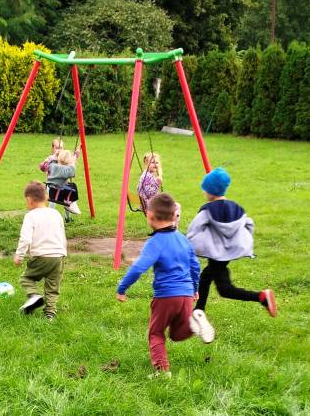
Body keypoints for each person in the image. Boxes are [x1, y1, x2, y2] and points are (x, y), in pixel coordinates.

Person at [116, 193, 212, 378]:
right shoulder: (182, 239)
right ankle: (194, 324)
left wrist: (122, 288)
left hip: (166, 296)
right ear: (174, 215)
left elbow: (138, 268)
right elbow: (195, 265)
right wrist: (194, 289)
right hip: (186, 296)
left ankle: (162, 372)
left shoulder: (155, 242)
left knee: (156, 333)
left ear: (150, 215)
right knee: (176, 334)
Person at [185, 167, 277, 331]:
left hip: (217, 254)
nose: (204, 192)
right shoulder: (236, 208)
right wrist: (239, 244)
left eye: (205, 189)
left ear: (210, 191)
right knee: (206, 276)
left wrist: (190, 247)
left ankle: (262, 297)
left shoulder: (207, 210)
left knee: (225, 290)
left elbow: (193, 231)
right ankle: (199, 310)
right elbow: (249, 224)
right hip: (227, 254)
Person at [14, 180, 67, 321]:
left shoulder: (30, 216)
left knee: (26, 278)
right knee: (52, 286)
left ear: (29, 200)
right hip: (58, 256)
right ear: (47, 197)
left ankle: (34, 296)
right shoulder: (56, 214)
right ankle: (50, 314)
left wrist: (19, 255)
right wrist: (63, 253)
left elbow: (25, 239)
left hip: (40, 256)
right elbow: (62, 234)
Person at [136, 152, 180, 226]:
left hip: (149, 203)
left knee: (173, 205)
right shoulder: (147, 177)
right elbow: (150, 193)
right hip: (150, 205)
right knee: (176, 206)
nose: (155, 165)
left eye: (157, 163)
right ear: (146, 164)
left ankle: (169, 226)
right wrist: (157, 183)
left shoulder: (148, 174)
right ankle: (172, 226)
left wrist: (160, 174)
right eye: (152, 162)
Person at [46, 148, 81, 216]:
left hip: (51, 191)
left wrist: (56, 155)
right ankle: (70, 203)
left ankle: (71, 203)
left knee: (68, 185)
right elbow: (72, 169)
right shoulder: (65, 170)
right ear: (68, 161)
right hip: (58, 192)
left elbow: (52, 161)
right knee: (73, 186)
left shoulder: (52, 166)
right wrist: (74, 159)